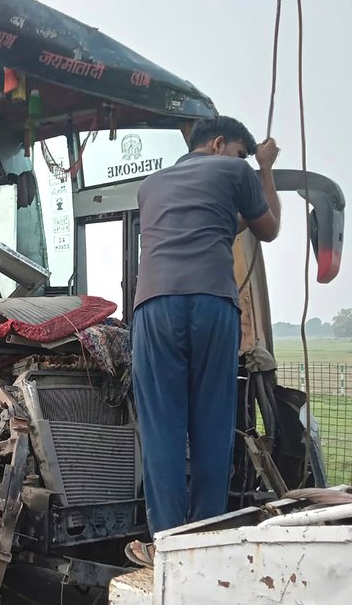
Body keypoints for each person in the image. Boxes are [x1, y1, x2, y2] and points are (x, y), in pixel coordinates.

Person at [125, 116, 281, 567]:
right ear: (218, 144)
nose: (241, 162)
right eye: (239, 152)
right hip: (213, 303)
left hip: (153, 306)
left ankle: (167, 543)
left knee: (162, 431)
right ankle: (208, 541)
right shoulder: (234, 172)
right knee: (212, 424)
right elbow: (267, 229)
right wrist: (265, 169)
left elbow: (215, 225)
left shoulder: (150, 186)